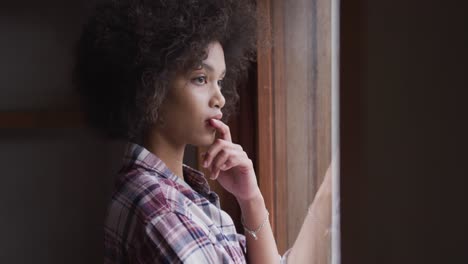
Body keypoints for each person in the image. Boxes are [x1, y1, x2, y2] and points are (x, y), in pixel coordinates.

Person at [74, 0, 332, 263]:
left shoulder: (177, 193)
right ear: (151, 90)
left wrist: (250, 198)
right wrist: (327, 199)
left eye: (220, 81)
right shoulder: (161, 210)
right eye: (201, 79)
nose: (219, 97)